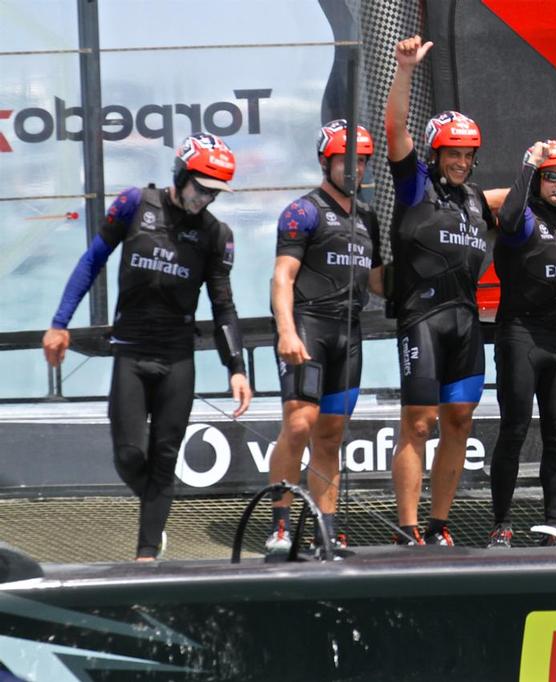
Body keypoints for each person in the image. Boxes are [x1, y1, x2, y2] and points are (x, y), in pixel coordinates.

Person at [42, 132, 252, 561]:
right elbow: (92, 260)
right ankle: (157, 509)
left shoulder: (215, 234)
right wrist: (59, 323)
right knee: (129, 454)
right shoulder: (136, 204)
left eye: (214, 193)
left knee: (164, 456)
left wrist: (237, 367)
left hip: (177, 358)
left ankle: (147, 552)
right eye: (201, 188)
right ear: (181, 174)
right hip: (132, 352)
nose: (205, 199)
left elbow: (223, 305)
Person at [385, 35, 499, 546]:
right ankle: (407, 528)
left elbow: (534, 189)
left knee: (458, 421)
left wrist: (546, 163)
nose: (460, 161)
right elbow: (394, 130)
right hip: (422, 320)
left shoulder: (477, 199)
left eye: (467, 154)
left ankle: (439, 524)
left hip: (466, 324)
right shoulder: (415, 187)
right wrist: (405, 69)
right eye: (452, 152)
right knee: (419, 422)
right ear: (436, 152)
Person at [265, 120, 383, 556]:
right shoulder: (303, 211)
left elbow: (378, 283)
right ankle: (280, 527)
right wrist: (286, 332)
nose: (354, 169)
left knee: (331, 434)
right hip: (309, 326)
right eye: (345, 161)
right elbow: (282, 277)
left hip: (348, 332)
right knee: (299, 424)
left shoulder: (368, 216)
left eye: (361, 162)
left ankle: (326, 532)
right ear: (325, 161)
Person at [487, 141, 556, 548]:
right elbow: (507, 218)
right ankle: (502, 524)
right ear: (539, 180)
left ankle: (554, 524)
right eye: (552, 177)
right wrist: (527, 165)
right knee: (514, 429)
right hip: (521, 335)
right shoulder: (524, 217)